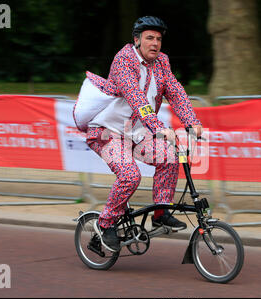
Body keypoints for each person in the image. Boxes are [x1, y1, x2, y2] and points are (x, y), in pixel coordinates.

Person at [73, 16, 203, 252]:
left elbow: (175, 93)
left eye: (159, 39)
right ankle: (105, 223)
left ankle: (161, 212)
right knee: (130, 176)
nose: (155, 43)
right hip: (107, 132)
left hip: (137, 133)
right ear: (137, 40)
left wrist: (192, 122)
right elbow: (137, 99)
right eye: (149, 38)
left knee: (172, 157)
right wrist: (158, 127)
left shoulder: (162, 62)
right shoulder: (123, 60)